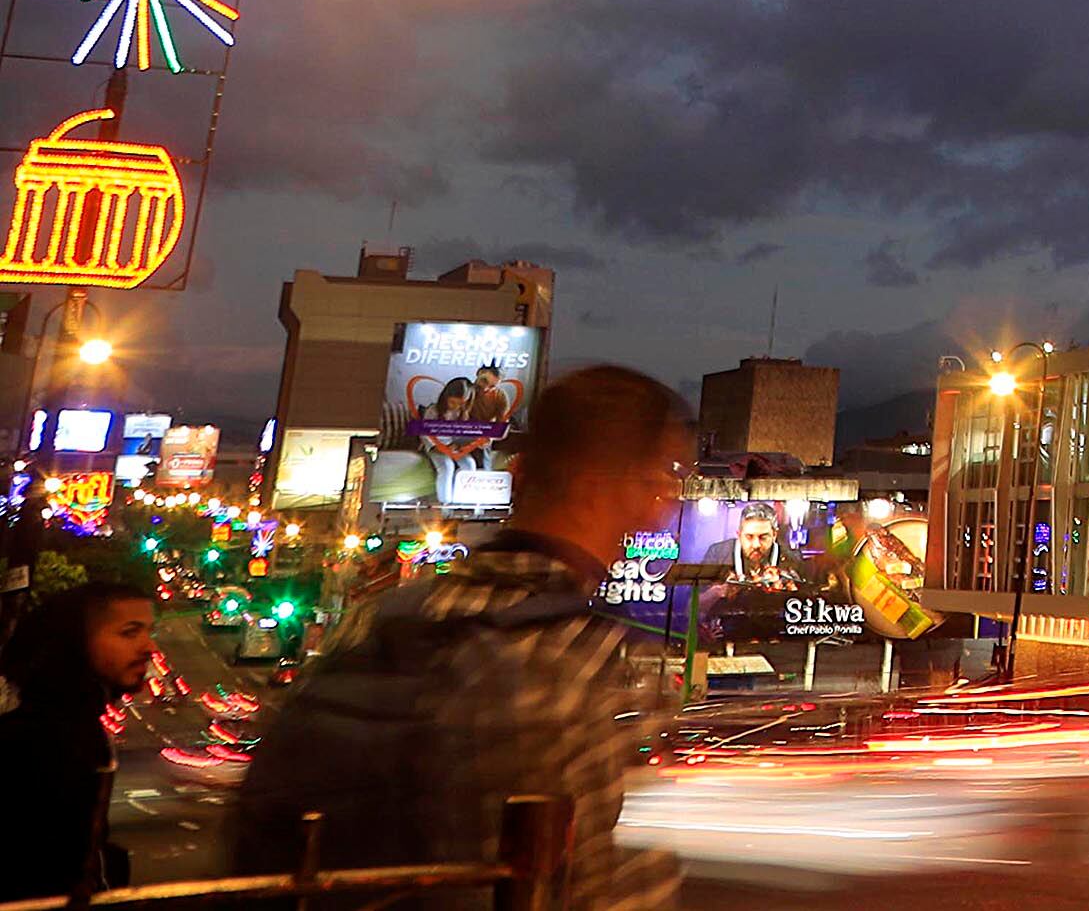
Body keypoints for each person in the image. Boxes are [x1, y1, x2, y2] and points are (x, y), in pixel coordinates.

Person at [231, 364, 692, 906]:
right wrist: (653, 880)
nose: (667, 503)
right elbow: (545, 888)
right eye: (662, 478)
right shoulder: (555, 661)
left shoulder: (401, 611)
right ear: (602, 487)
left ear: (519, 474)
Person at [0, 577, 158, 900]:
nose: (149, 648)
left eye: (148, 631)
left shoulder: (74, 726)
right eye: (130, 632)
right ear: (75, 643)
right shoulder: (45, 741)